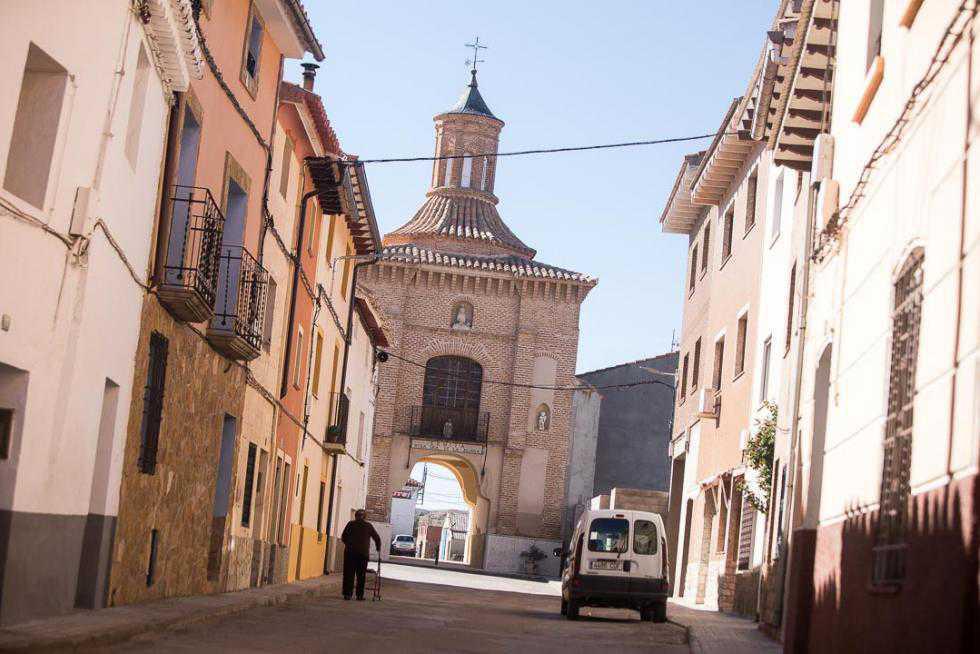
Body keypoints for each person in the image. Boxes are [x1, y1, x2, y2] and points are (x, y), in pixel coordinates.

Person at [340, 509, 381, 600]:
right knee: (361, 575)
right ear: (365, 517)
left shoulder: (350, 524)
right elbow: (377, 538)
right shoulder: (368, 526)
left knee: (348, 574)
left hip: (350, 553)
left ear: (355, 516)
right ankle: (359, 595)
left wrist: (349, 545)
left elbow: (343, 537)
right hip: (363, 554)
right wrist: (378, 549)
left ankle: (347, 594)